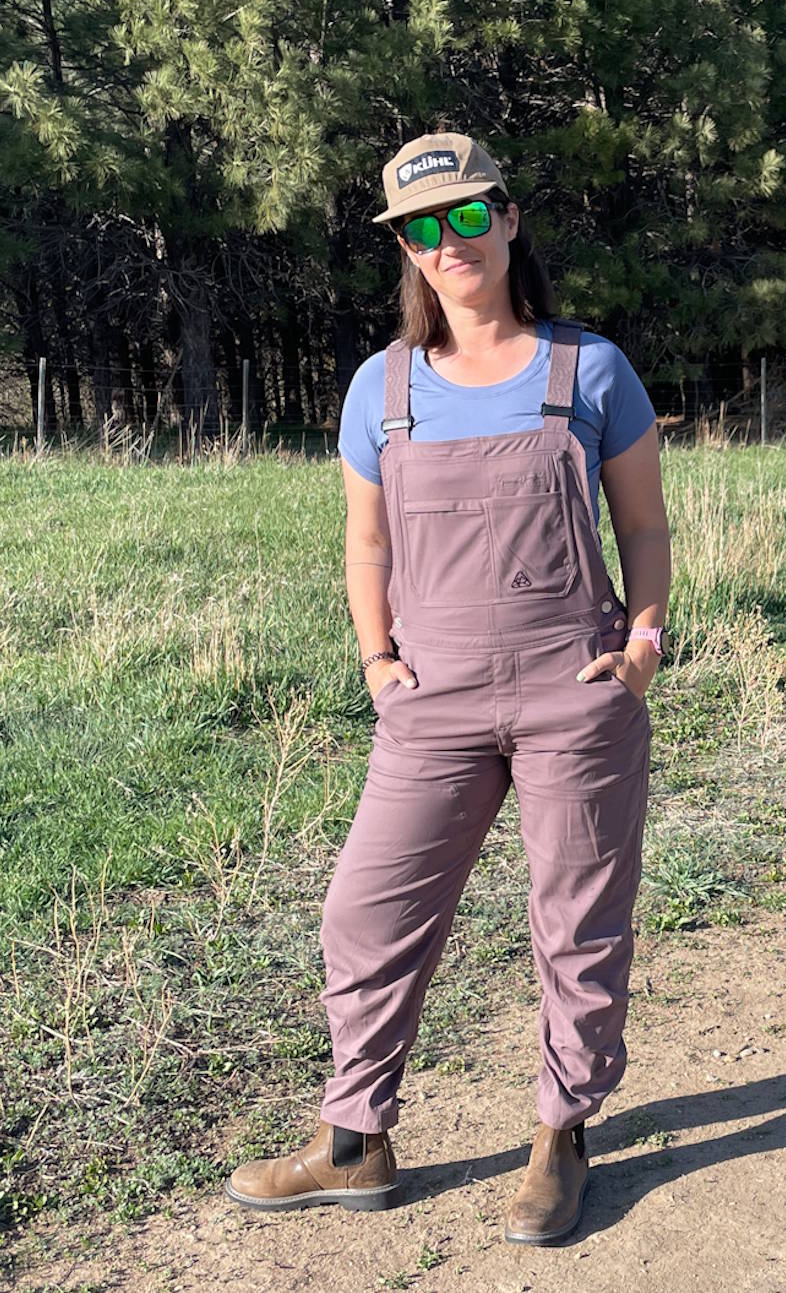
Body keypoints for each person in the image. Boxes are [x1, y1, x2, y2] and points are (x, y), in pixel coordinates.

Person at [225, 131, 671, 1247]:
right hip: (432, 699)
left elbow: (643, 523)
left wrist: (646, 637)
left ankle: (561, 1133)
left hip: (572, 684)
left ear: (509, 220)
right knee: (364, 911)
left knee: (575, 919)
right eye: (421, 228)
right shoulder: (382, 387)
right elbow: (364, 543)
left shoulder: (590, 369)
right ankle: (354, 1140)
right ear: (405, 250)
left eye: (467, 216)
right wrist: (377, 660)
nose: (447, 243)